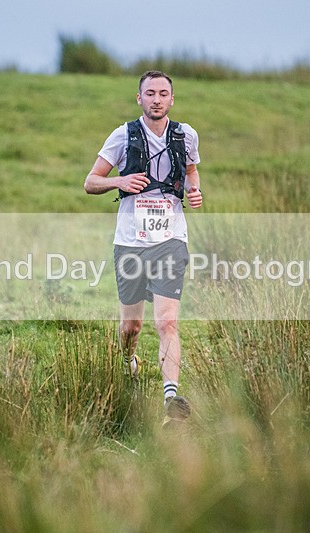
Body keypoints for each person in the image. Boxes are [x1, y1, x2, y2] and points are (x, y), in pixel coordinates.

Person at [84, 70, 203, 424]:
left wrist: (195, 191)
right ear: (139, 98)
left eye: (163, 93)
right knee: (131, 327)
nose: (156, 99)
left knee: (167, 322)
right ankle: (128, 360)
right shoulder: (123, 135)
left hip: (171, 239)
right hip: (130, 242)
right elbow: (90, 182)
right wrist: (121, 180)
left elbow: (192, 171)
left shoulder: (186, 135)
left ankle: (171, 399)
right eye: (149, 93)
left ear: (171, 99)